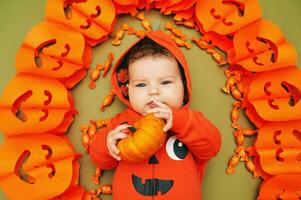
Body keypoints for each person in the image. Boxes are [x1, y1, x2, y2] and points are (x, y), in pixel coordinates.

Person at [90, 30, 221, 199]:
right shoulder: (122, 124)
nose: (153, 91)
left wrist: (180, 121)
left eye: (165, 82)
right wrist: (107, 144)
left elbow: (212, 146)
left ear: (184, 85)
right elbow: (99, 160)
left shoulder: (189, 121)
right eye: (141, 85)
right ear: (128, 90)